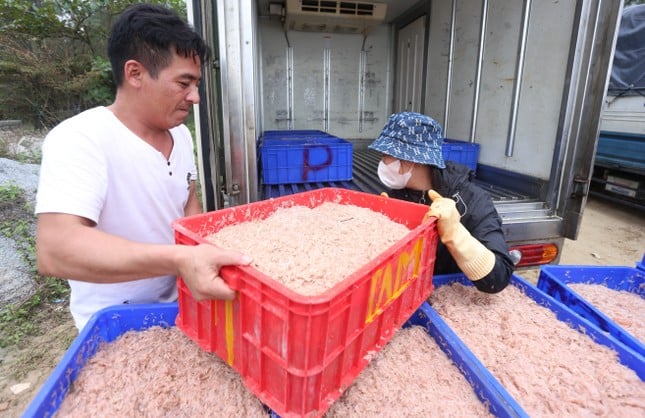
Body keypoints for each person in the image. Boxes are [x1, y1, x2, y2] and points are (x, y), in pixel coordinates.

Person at [35, 3, 250, 330]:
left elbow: (187, 204)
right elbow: (56, 249)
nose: (195, 97)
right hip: (117, 320)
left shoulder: (180, 135)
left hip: (182, 303)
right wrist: (179, 259)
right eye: (184, 83)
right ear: (134, 73)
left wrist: (209, 250)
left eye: (196, 85)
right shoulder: (80, 138)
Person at [369, 111, 514, 293]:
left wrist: (455, 234)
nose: (382, 162)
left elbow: (499, 277)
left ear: (412, 159)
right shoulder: (394, 196)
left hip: (450, 293)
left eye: (386, 155)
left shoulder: (472, 200)